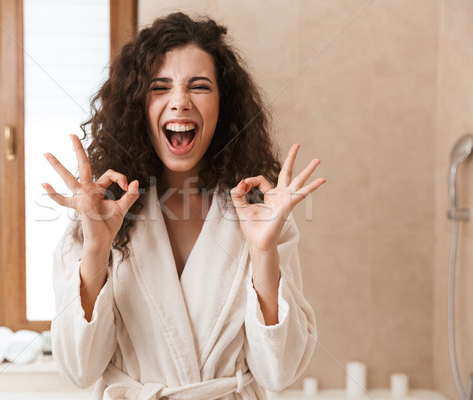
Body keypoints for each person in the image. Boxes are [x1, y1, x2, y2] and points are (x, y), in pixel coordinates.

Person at [42, 12, 326, 400]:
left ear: (223, 106)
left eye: (199, 87)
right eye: (160, 87)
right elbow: (79, 369)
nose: (179, 102)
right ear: (138, 105)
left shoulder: (263, 217)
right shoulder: (99, 214)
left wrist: (262, 252)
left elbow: (279, 372)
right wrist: (95, 250)